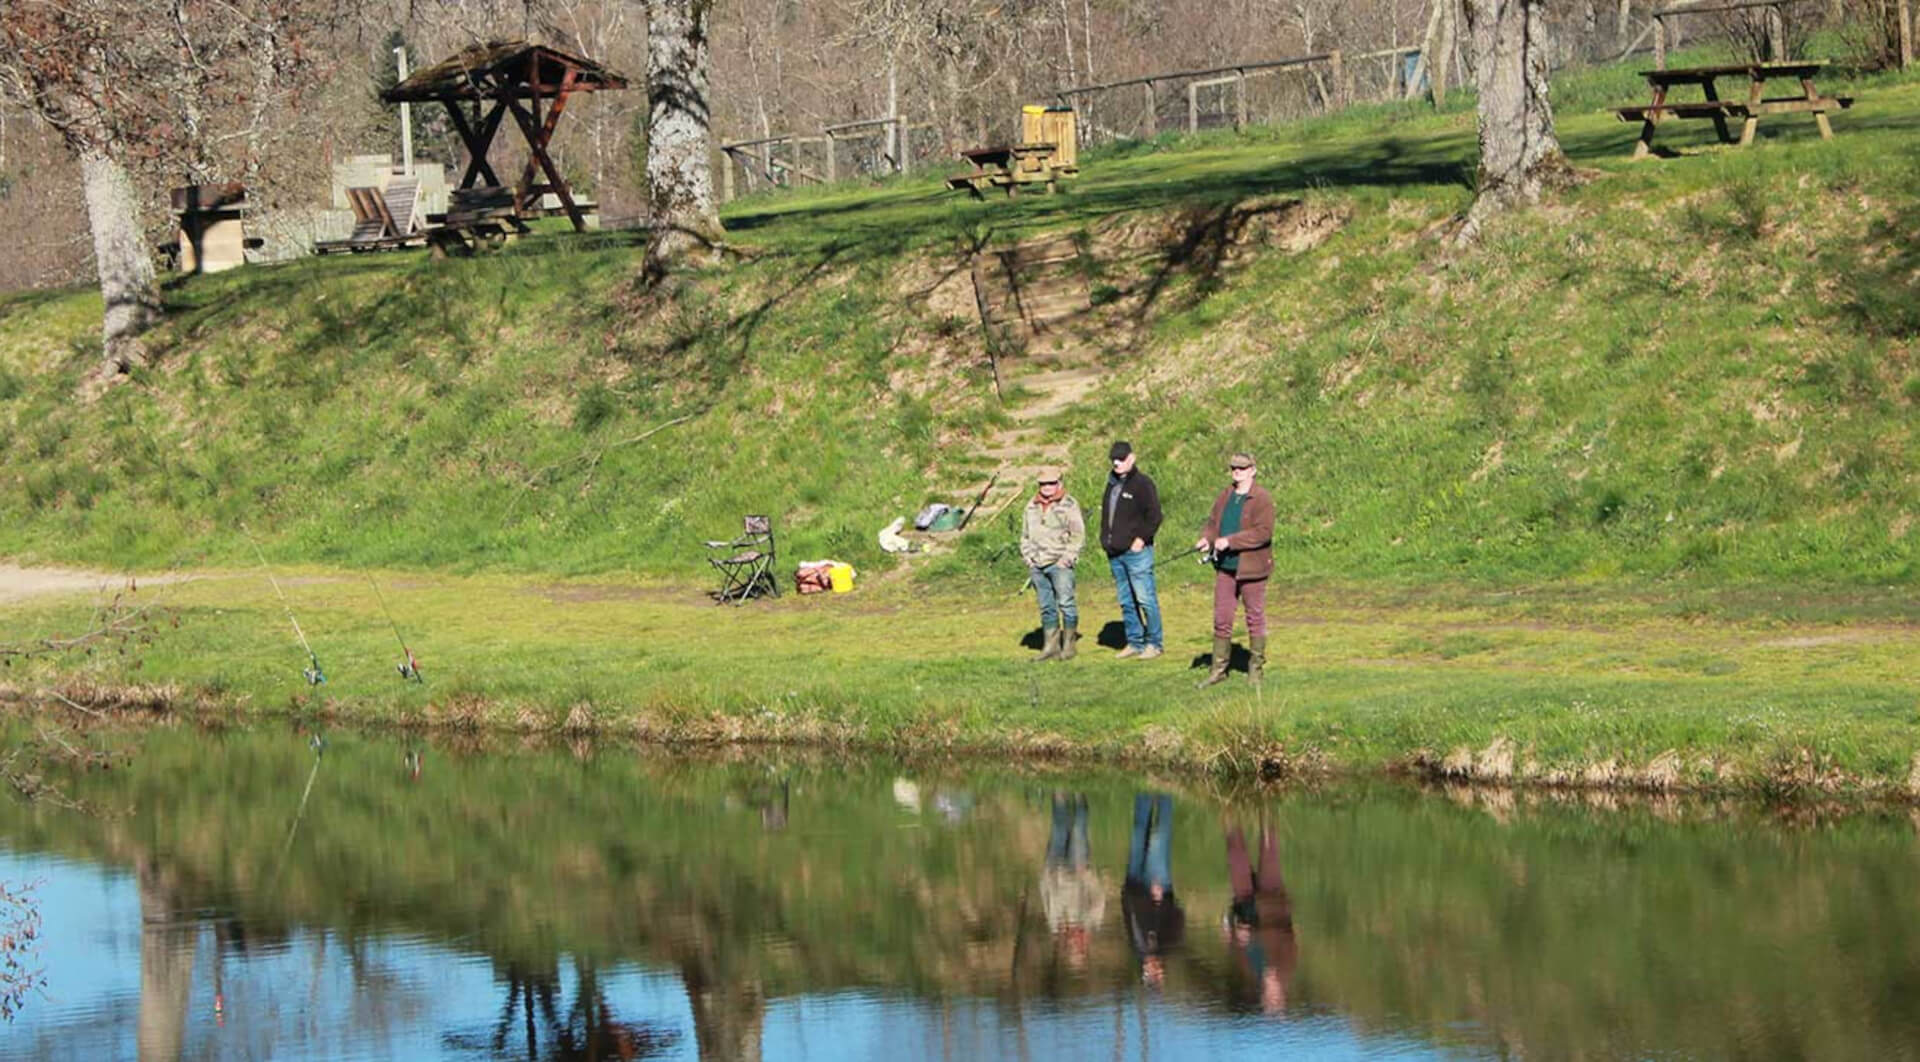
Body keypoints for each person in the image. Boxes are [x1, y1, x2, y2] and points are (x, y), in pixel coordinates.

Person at [1196, 451, 1275, 687]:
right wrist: (1206, 539)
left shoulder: (1262, 498)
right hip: (1225, 568)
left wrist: (1230, 541)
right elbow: (1213, 523)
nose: (1237, 472)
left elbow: (1263, 533)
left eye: (1242, 468)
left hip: (1253, 569)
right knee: (1222, 618)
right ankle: (1218, 670)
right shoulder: (1225, 495)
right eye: (1233, 468)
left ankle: (1255, 670)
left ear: (1253, 470)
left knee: (1255, 618)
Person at [1223, 821, 1298, 1016]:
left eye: (1270, 997)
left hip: (1245, 905)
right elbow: (1286, 933)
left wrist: (1232, 932)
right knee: (1269, 848)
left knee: (1235, 850)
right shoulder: (1287, 966)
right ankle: (1267, 807)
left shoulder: (1252, 970)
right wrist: (1255, 933)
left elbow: (1235, 945)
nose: (1273, 992)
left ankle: (1229, 811)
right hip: (1272, 902)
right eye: (1277, 997)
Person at [1099, 441, 1164, 660]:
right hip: (1115, 554)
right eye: (1114, 459)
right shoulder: (1111, 483)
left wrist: (1141, 539)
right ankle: (1134, 641)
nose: (1117, 463)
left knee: (1145, 598)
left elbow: (1155, 516)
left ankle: (1154, 643)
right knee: (1126, 601)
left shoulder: (1143, 484)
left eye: (1121, 459)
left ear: (1132, 458)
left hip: (1136, 553)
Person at [1020, 466, 1085, 662]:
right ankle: (1050, 646)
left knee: (1066, 603)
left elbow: (1078, 534)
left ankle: (1069, 645)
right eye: (1043, 484)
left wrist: (1068, 557)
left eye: (1051, 483)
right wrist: (1028, 556)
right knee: (1046, 606)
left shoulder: (1069, 504)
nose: (1047, 487)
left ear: (1059, 483)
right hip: (1037, 564)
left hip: (1059, 563)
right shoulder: (1030, 506)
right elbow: (1025, 535)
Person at [1122, 791, 1184, 986]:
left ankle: (1144, 792)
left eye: (1149, 972)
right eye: (1155, 972)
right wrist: (1163, 900)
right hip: (1157, 886)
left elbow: (1129, 915)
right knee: (1159, 836)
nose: (1152, 968)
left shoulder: (1136, 947)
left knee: (1139, 830)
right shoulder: (1169, 943)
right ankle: (1165, 793)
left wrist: (1125, 893)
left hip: (1133, 883)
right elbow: (1179, 915)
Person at [1039, 791, 1106, 972]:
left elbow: (1045, 894)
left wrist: (1046, 874)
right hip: (1078, 868)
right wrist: (1088, 874)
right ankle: (1080, 793)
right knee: (1078, 827)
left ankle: (1059, 793)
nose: (1074, 944)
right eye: (1078, 950)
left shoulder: (1055, 924)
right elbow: (1099, 897)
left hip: (1054, 865)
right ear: (1084, 947)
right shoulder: (1092, 922)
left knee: (1059, 826)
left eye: (1072, 949)